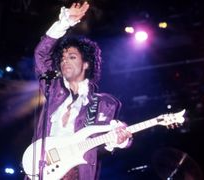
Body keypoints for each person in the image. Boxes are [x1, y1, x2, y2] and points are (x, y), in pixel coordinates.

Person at [32, 2, 132, 180]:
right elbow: (41, 54)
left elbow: (100, 146)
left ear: (86, 64)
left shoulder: (104, 103)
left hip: (76, 173)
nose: (65, 62)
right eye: (62, 58)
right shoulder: (53, 89)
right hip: (42, 170)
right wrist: (64, 23)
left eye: (72, 57)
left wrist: (121, 140)